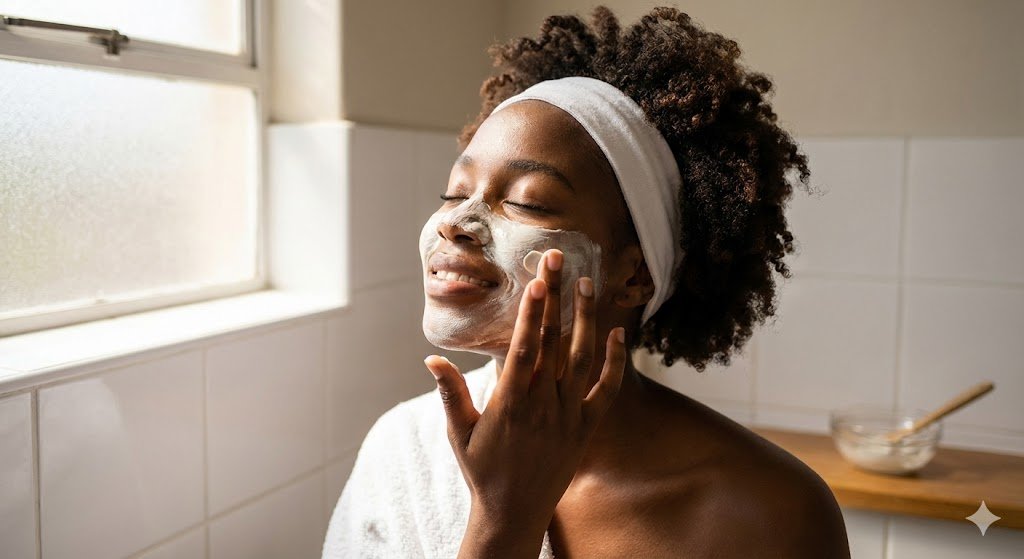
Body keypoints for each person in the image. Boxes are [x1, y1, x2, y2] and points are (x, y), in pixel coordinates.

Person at [324, 6, 850, 558]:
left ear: (634, 274)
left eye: (527, 202)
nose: (455, 222)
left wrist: (506, 515)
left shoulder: (770, 513)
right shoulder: (401, 450)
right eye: (454, 193)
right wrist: (504, 518)